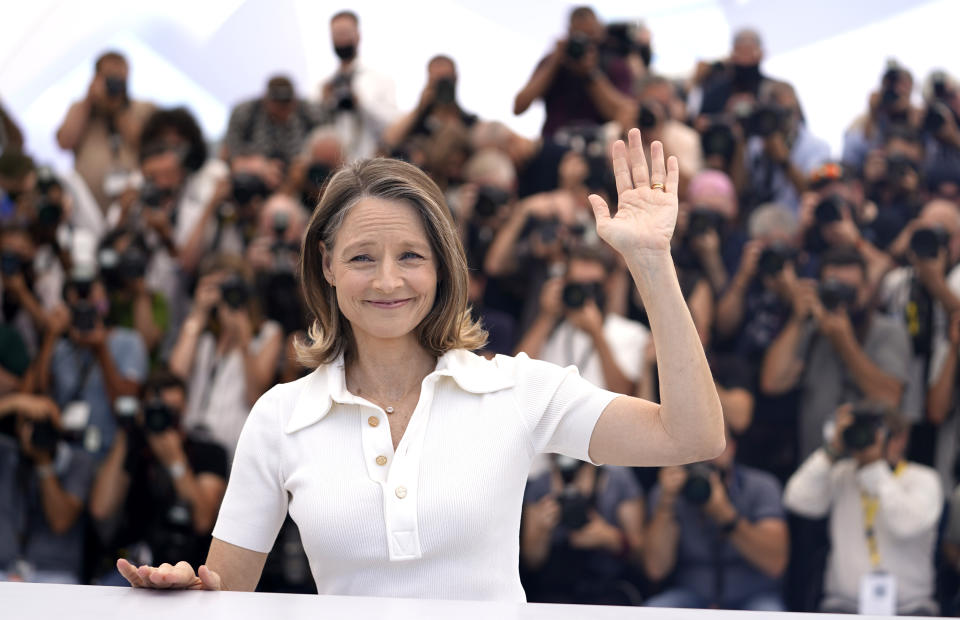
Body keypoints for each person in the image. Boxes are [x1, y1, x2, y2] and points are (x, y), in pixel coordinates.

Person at [115, 129, 724, 597]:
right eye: (360, 258)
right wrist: (185, 592)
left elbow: (692, 436)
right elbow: (228, 592)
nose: (387, 280)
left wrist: (650, 263)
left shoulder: (515, 388)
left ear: (441, 267)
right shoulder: (279, 416)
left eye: (410, 255)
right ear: (326, 266)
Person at [783, 403, 943, 615]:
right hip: (843, 606)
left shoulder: (924, 479)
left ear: (901, 438)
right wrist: (832, 450)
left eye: (877, 434)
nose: (867, 439)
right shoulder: (842, 473)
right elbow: (797, 500)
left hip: (910, 609)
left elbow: (906, 525)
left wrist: (873, 468)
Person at [760, 246, 911, 460]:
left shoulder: (888, 332)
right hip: (817, 466)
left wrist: (845, 343)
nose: (841, 300)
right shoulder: (812, 329)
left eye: (849, 290)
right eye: (832, 289)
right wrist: (797, 318)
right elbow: (772, 382)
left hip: (870, 470)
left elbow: (889, 398)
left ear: (868, 289)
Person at [89, 369, 227, 581]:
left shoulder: (208, 451)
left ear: (185, 409)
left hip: (188, 569)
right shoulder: (132, 446)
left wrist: (176, 461)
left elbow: (203, 520)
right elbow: (101, 509)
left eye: (172, 411)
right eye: (156, 409)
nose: (163, 417)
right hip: (131, 565)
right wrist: (127, 434)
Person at [643, 426, 789, 611]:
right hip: (690, 595)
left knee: (770, 613)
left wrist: (725, 514)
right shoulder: (668, 490)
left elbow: (775, 563)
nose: (708, 454)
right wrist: (665, 505)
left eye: (716, 445)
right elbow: (656, 569)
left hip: (753, 596)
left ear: (732, 448)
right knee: (653, 610)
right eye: (700, 445)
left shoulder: (761, 487)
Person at [515, 245, 648, 395]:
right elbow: (517, 374)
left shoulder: (632, 333)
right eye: (576, 285)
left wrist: (597, 335)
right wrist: (546, 316)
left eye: (591, 286)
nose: (583, 293)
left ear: (609, 284)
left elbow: (626, 393)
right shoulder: (552, 329)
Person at [520, 457, 644, 605]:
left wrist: (609, 537)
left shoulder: (617, 479)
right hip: (557, 592)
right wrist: (541, 531)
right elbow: (531, 561)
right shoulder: (540, 487)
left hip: (608, 587)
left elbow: (642, 555)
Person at [0, 393, 96, 583]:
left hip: (54, 575)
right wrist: (12, 403)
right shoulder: (6, 453)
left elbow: (60, 521)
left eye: (43, 422)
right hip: (4, 570)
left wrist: (43, 462)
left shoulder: (78, 461)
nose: (34, 429)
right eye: (28, 422)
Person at [56, 51, 155, 211]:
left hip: (134, 204)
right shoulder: (81, 109)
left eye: (120, 78)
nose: (115, 83)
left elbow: (147, 145)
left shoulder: (143, 108)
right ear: (96, 77)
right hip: (88, 208)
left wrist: (117, 108)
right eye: (109, 77)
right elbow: (64, 142)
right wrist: (89, 100)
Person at [514, 6, 635, 137]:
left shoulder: (614, 64)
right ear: (569, 33)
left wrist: (591, 74)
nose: (586, 45)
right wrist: (555, 61)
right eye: (579, 37)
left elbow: (625, 112)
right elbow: (519, 106)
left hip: (597, 143)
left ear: (600, 33)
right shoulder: (552, 61)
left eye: (591, 36)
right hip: (554, 142)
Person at [319, 10, 398, 162]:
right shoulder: (325, 85)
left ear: (358, 35)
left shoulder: (379, 79)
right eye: (336, 34)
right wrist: (323, 103)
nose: (341, 39)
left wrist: (361, 103)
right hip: (336, 164)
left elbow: (393, 123)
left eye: (345, 33)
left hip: (373, 160)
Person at [223, 76, 323, 167]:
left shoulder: (310, 113)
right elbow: (229, 152)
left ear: (294, 101)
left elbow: (326, 143)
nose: (282, 110)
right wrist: (258, 166)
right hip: (255, 173)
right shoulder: (245, 113)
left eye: (286, 104)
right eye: (278, 104)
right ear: (266, 100)